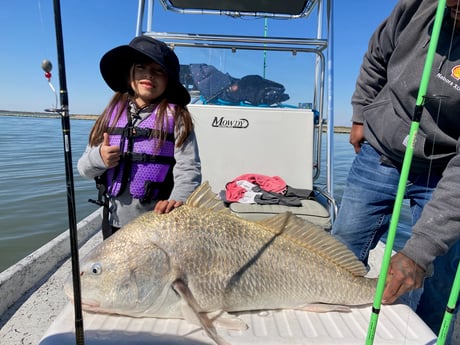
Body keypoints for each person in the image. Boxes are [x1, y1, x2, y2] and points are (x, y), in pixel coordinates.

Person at [331, 0, 460, 341]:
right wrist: (360, 116)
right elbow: (376, 57)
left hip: (445, 169)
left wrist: (418, 254)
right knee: (340, 247)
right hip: (379, 153)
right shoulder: (416, 7)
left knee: (438, 279)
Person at [78, 36, 202, 239]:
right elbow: (84, 168)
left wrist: (178, 200)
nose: (149, 75)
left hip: (157, 225)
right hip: (113, 222)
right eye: (141, 67)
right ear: (128, 74)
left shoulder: (177, 117)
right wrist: (99, 158)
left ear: (169, 79)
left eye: (159, 70)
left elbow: (189, 169)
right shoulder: (111, 114)